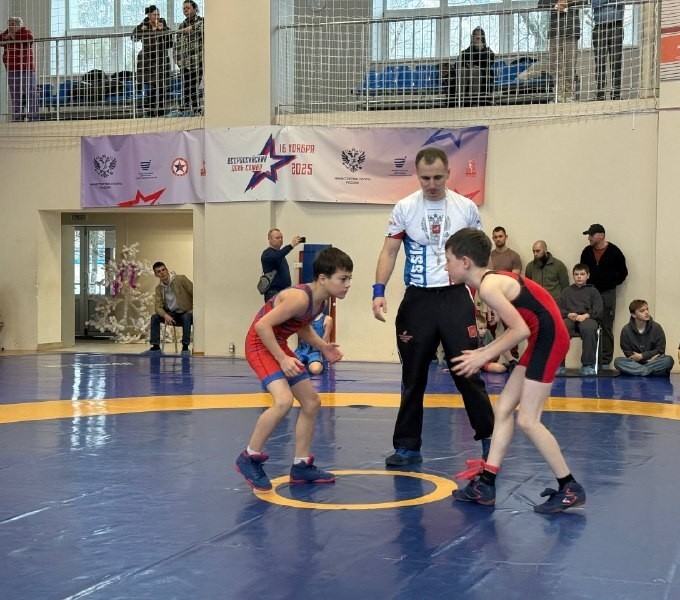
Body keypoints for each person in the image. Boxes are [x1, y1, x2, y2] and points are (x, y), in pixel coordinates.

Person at [444, 228, 586, 513]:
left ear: (465, 262)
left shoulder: (488, 287)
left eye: (448, 260)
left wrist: (483, 354)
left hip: (548, 338)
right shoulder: (490, 281)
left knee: (529, 420)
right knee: (503, 408)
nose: (445, 267)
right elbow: (523, 325)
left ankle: (570, 486)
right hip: (542, 336)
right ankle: (486, 484)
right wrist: (485, 352)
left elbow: (519, 329)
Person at [372, 147, 494, 467]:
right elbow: (389, 251)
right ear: (417, 175)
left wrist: (489, 294)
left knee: (468, 372)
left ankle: (489, 439)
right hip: (418, 300)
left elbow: (481, 257)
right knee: (413, 376)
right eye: (425, 178)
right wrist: (378, 290)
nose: (432, 184)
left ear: (448, 173)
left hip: (455, 298)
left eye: (438, 177)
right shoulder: (405, 208)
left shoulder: (466, 208)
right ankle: (407, 446)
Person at [234, 247, 353, 491]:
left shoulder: (319, 302)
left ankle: (301, 466)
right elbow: (262, 326)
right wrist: (282, 358)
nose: (348, 284)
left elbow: (301, 325)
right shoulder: (300, 298)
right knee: (284, 401)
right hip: (259, 345)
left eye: (349, 278)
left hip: (275, 344)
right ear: (323, 278)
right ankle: (249, 457)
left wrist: (323, 347)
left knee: (311, 402)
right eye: (343, 279)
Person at [579, 224, 627, 370]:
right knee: (589, 326)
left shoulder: (614, 252)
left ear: (601, 235)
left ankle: (605, 362)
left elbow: (623, 272)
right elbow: (582, 270)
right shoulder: (586, 252)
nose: (589, 238)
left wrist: (611, 283)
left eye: (591, 235)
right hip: (590, 293)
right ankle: (590, 361)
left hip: (607, 294)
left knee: (606, 326)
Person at [557, 263, 603, 376]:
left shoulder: (593, 291)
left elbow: (598, 309)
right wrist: (568, 314)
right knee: (561, 328)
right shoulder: (566, 291)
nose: (579, 277)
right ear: (573, 276)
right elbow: (558, 308)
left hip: (587, 317)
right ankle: (559, 364)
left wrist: (585, 315)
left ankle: (587, 365)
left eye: (582, 274)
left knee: (589, 328)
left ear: (588, 275)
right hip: (570, 317)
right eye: (576, 274)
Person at [614, 299, 674, 376]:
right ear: (633, 314)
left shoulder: (657, 327)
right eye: (642, 311)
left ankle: (638, 371)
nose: (647, 312)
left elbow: (660, 350)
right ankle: (648, 371)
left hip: (654, 361)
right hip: (636, 363)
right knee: (618, 361)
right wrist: (643, 360)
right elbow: (628, 353)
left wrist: (642, 356)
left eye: (647, 309)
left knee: (668, 360)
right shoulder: (626, 330)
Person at [132, 5, 173, 116]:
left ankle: (161, 111)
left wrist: (163, 30)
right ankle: (150, 111)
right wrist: (140, 30)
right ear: (149, 15)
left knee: (161, 87)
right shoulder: (144, 25)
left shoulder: (164, 25)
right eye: (155, 15)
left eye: (158, 14)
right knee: (150, 87)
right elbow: (133, 37)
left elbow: (170, 44)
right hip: (148, 63)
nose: (157, 17)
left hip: (161, 62)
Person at [146, 262, 194, 355]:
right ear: (156, 275)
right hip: (173, 315)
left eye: (163, 270)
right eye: (159, 271)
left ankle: (185, 347)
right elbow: (158, 307)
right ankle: (155, 347)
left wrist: (194, 307)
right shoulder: (159, 288)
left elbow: (195, 293)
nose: (162, 273)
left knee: (186, 316)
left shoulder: (181, 279)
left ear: (167, 270)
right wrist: (165, 315)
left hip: (187, 313)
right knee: (155, 317)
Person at [542, 0, 582, 102]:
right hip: (554, 32)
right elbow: (541, 3)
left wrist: (567, 2)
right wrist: (556, 4)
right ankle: (558, 95)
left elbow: (584, 2)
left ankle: (568, 95)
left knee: (570, 66)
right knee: (554, 66)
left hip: (571, 31)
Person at [0, 17, 38, 122]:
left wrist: (14, 36)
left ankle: (33, 117)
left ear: (19, 25)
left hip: (26, 69)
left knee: (30, 93)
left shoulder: (25, 31)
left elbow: (30, 38)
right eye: (9, 24)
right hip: (12, 69)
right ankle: (17, 118)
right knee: (15, 94)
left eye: (13, 24)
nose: (10, 26)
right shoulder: (6, 33)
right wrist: (6, 37)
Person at [174, 0, 204, 115]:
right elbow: (177, 45)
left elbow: (202, 27)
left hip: (197, 61)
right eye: (184, 8)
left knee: (194, 86)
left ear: (195, 9)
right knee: (186, 86)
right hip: (185, 63)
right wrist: (178, 61)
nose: (185, 10)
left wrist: (191, 28)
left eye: (188, 8)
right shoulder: (182, 25)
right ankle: (186, 109)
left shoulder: (201, 21)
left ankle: (196, 109)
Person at [590, 0, 624, 101]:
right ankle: (600, 94)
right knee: (599, 62)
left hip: (616, 25)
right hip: (599, 26)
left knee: (616, 61)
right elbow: (593, 2)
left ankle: (616, 94)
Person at [260, 229, 304, 302]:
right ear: (269, 239)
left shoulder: (280, 254)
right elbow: (277, 255)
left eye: (281, 237)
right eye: (277, 238)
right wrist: (291, 245)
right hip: (273, 292)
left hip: (284, 291)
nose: (280, 240)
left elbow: (280, 254)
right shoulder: (267, 254)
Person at [457, 27, 496, 106]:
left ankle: (475, 100)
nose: (477, 38)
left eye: (479, 36)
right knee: (463, 70)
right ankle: (460, 100)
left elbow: (487, 63)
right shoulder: (465, 52)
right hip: (467, 72)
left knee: (475, 70)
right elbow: (459, 63)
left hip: (481, 74)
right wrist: (468, 65)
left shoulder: (488, 51)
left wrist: (481, 50)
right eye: (475, 36)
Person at [294, 308, 333, 376]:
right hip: (301, 349)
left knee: (316, 370)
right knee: (288, 369)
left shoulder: (327, 319)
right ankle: (304, 362)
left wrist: (323, 352)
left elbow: (325, 339)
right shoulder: (304, 317)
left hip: (315, 351)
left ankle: (315, 362)